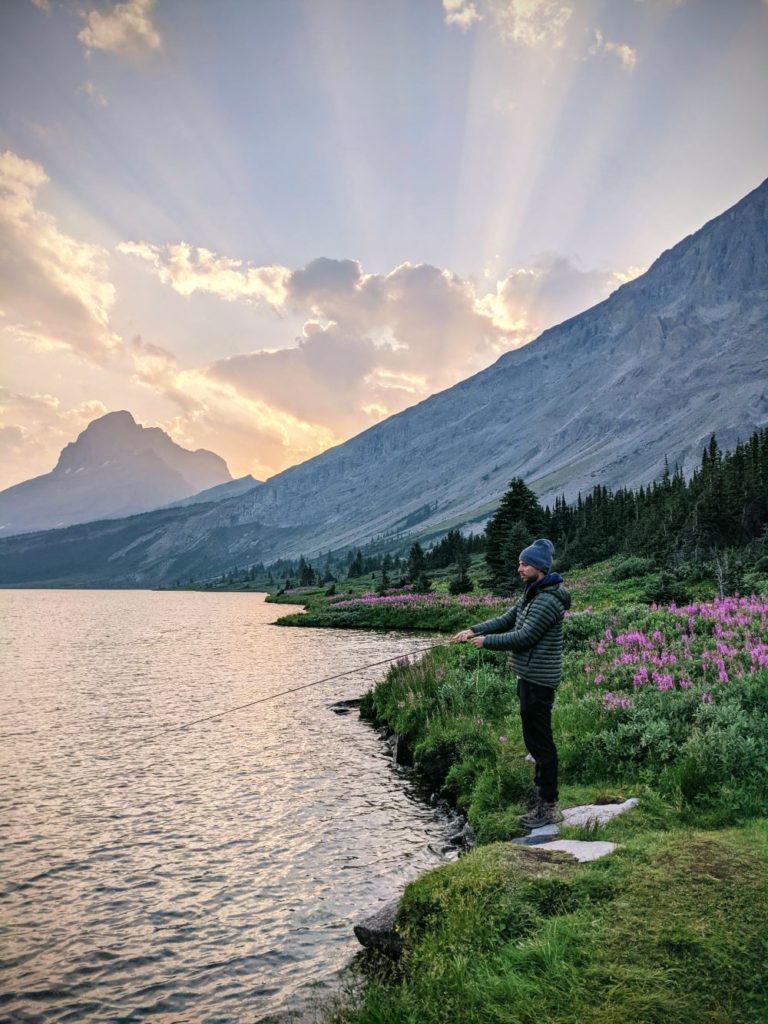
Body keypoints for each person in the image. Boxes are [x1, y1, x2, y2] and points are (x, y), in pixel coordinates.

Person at [451, 538, 571, 828]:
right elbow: (508, 619)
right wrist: (473, 630)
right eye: (520, 562)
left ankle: (549, 806)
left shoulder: (547, 601)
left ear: (538, 568)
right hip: (529, 677)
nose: (519, 568)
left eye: (524, 564)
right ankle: (542, 799)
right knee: (534, 741)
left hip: (539, 681)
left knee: (540, 743)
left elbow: (524, 636)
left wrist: (486, 642)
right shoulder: (532, 593)